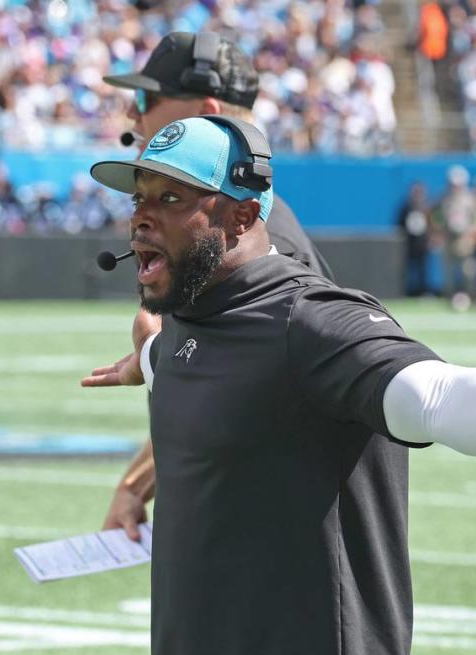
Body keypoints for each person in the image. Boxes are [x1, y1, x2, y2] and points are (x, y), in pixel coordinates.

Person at [82, 116, 476, 655]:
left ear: (242, 214)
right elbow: (199, 365)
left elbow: (437, 396)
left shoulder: (309, 319)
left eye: (172, 198)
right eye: (139, 198)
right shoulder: (187, 319)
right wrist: (149, 361)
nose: (141, 218)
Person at [98, 31, 335, 538]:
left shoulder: (261, 248)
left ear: (206, 111)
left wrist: (137, 484)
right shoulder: (229, 232)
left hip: (268, 539)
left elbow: (245, 385)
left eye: (146, 99)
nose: (132, 117)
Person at [435, 165, 476, 311]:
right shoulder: (444, 198)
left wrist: (472, 236)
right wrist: (438, 232)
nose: (455, 187)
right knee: (449, 273)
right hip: (449, 239)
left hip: (466, 239)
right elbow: (435, 217)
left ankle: (472, 298)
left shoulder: (472, 199)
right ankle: (452, 299)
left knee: (469, 271)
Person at [397, 182, 431, 296]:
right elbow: (400, 224)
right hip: (409, 243)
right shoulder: (406, 206)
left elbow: (431, 224)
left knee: (423, 269)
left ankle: (423, 291)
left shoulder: (426, 205)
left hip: (422, 244)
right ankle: (406, 292)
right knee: (407, 269)